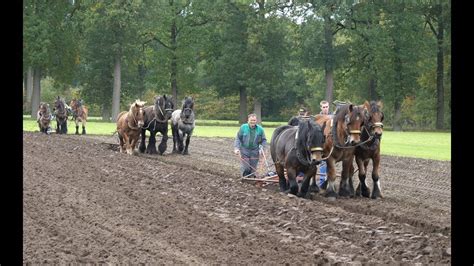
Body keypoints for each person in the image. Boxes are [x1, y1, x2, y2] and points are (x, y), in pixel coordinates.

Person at [234, 113, 267, 178]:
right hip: (244, 150)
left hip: (255, 151)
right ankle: (244, 178)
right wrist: (236, 148)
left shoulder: (260, 129)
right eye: (251, 120)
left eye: (254, 120)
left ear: (256, 121)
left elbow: (264, 140)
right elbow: (238, 138)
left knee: (253, 170)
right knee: (247, 168)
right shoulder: (243, 127)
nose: (253, 122)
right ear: (248, 120)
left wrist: (262, 149)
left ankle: (251, 183)